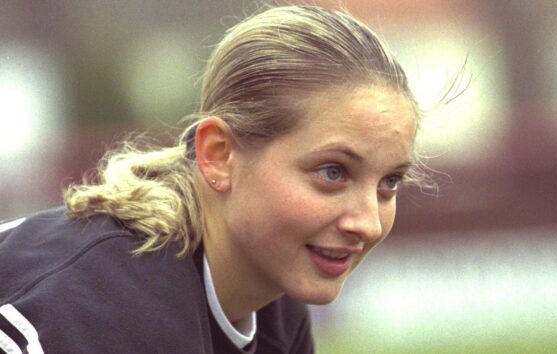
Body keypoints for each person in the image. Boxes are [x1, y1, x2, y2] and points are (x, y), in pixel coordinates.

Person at [0, 5, 429, 354]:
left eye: (389, 182)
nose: (368, 223)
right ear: (218, 156)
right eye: (332, 173)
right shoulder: (103, 307)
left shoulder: (277, 303)